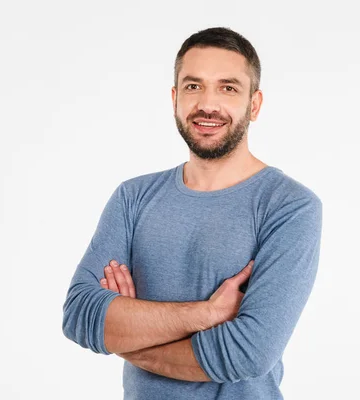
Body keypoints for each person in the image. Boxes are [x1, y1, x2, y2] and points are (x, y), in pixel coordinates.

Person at [62, 26, 323, 399]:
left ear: (255, 104)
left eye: (228, 88)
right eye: (193, 86)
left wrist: (125, 334)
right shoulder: (133, 197)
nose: (208, 104)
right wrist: (206, 314)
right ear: (174, 98)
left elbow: (246, 353)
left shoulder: (289, 207)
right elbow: (79, 316)